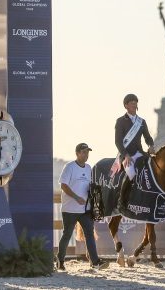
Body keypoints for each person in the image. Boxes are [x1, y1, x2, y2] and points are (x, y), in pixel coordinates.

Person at [56, 143, 108, 271]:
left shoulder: (89, 168)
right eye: (84, 152)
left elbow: (90, 186)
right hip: (70, 209)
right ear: (77, 153)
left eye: (87, 152)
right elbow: (63, 185)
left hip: (85, 209)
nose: (86, 155)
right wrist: (76, 197)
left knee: (89, 234)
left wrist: (95, 193)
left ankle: (95, 262)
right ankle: (60, 260)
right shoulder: (69, 167)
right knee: (67, 234)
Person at [115, 93, 155, 210]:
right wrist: (126, 155)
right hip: (126, 155)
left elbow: (148, 137)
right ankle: (122, 201)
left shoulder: (141, 122)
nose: (134, 104)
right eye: (131, 103)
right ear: (126, 106)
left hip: (139, 153)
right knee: (131, 173)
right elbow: (118, 141)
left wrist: (151, 145)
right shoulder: (120, 121)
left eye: (135, 102)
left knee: (154, 169)